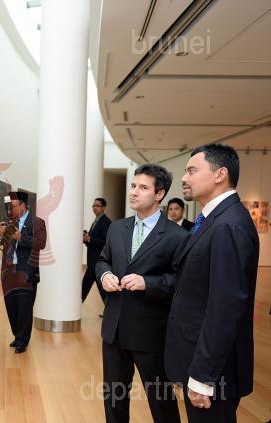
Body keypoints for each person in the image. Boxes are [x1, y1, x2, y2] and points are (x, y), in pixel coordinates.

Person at [165, 144, 259, 423]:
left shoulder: (229, 225)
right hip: (199, 359)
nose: (184, 178)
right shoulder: (213, 219)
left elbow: (225, 308)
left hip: (213, 371)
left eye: (192, 170)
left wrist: (203, 377)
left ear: (220, 174)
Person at [96, 164, 187, 423]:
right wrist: (105, 275)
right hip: (114, 330)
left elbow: (180, 281)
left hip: (150, 333)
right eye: (133, 186)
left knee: (161, 402)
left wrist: (148, 283)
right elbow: (102, 260)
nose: (134, 192)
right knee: (114, 399)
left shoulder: (177, 236)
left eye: (143, 187)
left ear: (159, 194)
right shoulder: (117, 228)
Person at [0, 191, 46, 354]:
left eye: (13, 206)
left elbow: (41, 243)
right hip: (8, 272)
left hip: (26, 272)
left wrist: (21, 237)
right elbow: (1, 244)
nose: (10, 210)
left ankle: (22, 341)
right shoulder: (10, 222)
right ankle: (18, 336)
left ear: (23, 206)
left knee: (24, 308)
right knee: (12, 308)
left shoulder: (37, 222)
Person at [82, 197, 112, 303]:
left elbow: (106, 242)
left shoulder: (106, 222)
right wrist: (86, 240)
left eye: (98, 205)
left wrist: (90, 239)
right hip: (93, 262)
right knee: (89, 289)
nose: (95, 208)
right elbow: (94, 241)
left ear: (104, 208)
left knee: (84, 288)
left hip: (98, 261)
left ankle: (73, 308)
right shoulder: (95, 221)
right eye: (93, 205)